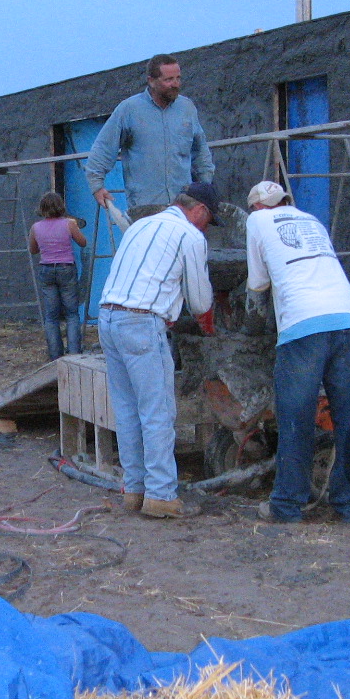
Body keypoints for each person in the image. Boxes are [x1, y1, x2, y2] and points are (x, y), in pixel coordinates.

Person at [243, 181, 350, 525]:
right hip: (348, 319)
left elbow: (257, 284)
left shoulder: (257, 222)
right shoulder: (312, 220)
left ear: (257, 207)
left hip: (303, 326)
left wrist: (253, 322)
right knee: (349, 418)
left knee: (296, 419)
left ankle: (286, 505)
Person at [97, 183, 218, 519]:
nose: (205, 227)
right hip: (141, 322)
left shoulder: (141, 226)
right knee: (157, 412)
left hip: (108, 317)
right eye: (208, 220)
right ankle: (162, 495)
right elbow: (200, 301)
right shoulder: (190, 236)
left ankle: (134, 489)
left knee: (127, 410)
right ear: (200, 211)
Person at [85, 54, 215, 220]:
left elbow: (201, 150)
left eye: (178, 78)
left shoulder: (187, 108)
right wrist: (97, 186)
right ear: (151, 81)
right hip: (145, 210)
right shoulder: (129, 110)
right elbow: (103, 148)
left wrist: (205, 185)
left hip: (183, 207)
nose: (175, 84)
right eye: (168, 80)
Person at [28, 191, 86, 358]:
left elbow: (33, 250)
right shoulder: (69, 223)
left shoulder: (36, 227)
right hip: (66, 267)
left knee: (51, 316)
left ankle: (55, 356)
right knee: (71, 313)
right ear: (61, 206)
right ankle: (74, 354)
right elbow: (83, 242)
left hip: (46, 268)